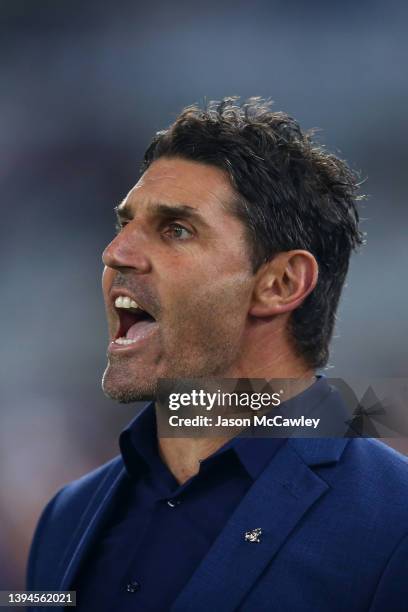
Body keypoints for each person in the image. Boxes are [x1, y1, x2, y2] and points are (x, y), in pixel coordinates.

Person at [27, 98, 408, 611]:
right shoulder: (65, 518)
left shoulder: (394, 521)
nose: (115, 252)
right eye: (124, 224)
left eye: (175, 230)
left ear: (280, 283)